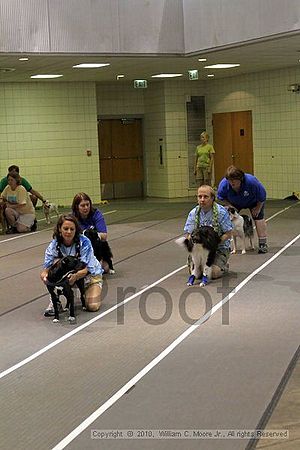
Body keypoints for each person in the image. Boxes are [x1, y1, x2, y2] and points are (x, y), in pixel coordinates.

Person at [41, 214, 103, 316]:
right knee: (52, 269)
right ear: (60, 229)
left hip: (89, 275)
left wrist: (76, 276)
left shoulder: (84, 242)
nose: (69, 232)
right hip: (68, 276)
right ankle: (55, 300)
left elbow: (87, 268)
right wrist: (46, 277)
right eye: (65, 228)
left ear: (76, 230)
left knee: (92, 306)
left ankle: (88, 290)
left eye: (72, 229)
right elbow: (46, 268)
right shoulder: (54, 245)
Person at [184, 185, 233, 279]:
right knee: (197, 275)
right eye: (200, 197)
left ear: (212, 198)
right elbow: (189, 235)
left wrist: (213, 244)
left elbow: (228, 233)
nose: (202, 200)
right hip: (199, 249)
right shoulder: (193, 213)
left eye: (206, 197)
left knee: (213, 274)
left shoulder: (221, 212)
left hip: (219, 248)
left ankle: (223, 266)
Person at [217, 166, 268, 254]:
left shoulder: (252, 182)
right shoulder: (224, 184)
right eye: (229, 180)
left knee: (258, 218)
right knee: (224, 218)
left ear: (240, 179)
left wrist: (258, 208)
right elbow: (221, 197)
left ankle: (262, 243)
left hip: (253, 201)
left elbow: (262, 196)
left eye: (234, 180)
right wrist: (230, 206)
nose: (231, 182)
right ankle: (225, 244)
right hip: (234, 202)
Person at [72, 192, 113, 273]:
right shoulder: (73, 218)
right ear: (77, 207)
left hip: (95, 245)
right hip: (80, 247)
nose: (86, 207)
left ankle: (104, 262)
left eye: (88, 204)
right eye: (82, 205)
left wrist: (92, 235)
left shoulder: (96, 214)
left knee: (105, 269)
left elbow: (104, 236)